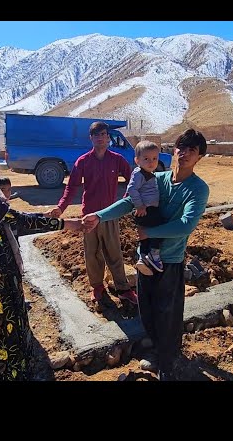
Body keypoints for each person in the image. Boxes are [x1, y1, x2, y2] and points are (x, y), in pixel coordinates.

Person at [0, 139, 84, 381]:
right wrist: (65, 224)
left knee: (8, 327)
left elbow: (13, 220)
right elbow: (19, 221)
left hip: (5, 273)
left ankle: (13, 372)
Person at [83, 129, 209, 381]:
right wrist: (99, 215)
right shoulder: (157, 178)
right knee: (148, 310)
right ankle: (155, 350)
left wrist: (149, 231)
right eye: (180, 148)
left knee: (169, 315)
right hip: (145, 259)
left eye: (191, 151)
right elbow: (130, 201)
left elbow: (185, 225)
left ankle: (168, 362)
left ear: (199, 157)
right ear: (173, 150)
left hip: (170, 261)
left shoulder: (197, 189)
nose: (184, 154)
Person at [45, 121, 138, 306]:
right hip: (88, 216)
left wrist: (125, 202)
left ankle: (123, 289)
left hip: (109, 215)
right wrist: (60, 208)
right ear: (91, 138)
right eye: (96, 135)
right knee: (92, 253)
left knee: (114, 252)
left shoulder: (117, 160)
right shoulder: (83, 161)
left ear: (108, 137)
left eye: (103, 134)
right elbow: (71, 187)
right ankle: (97, 287)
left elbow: (132, 180)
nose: (100, 137)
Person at [126, 140, 164, 276]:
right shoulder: (139, 174)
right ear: (137, 160)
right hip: (147, 209)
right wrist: (140, 205)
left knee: (145, 234)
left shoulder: (148, 174)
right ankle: (154, 253)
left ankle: (143, 257)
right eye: (146, 159)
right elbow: (131, 189)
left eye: (154, 158)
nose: (151, 162)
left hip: (147, 208)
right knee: (158, 228)